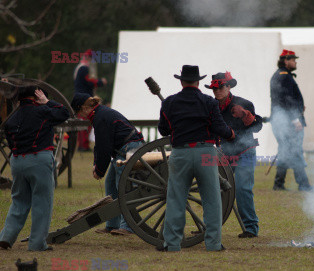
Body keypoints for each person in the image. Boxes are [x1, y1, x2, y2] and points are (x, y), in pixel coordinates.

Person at [158, 65, 235, 252]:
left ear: (181, 81)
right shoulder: (209, 102)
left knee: (176, 198)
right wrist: (231, 134)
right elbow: (219, 127)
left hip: (180, 153)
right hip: (206, 153)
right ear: (198, 82)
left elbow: (164, 129)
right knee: (212, 199)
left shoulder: (169, 102)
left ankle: (172, 244)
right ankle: (214, 244)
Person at [0, 86, 69, 251]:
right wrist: (47, 102)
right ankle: (37, 243)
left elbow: (10, 143)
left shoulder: (12, 119)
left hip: (17, 161)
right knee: (42, 202)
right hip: (39, 159)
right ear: (36, 97)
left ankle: (6, 237)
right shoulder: (43, 111)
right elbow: (64, 113)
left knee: (19, 201)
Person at [71, 93, 144, 235]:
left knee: (122, 187)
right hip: (122, 151)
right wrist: (96, 165)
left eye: (79, 112)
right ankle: (112, 224)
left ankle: (128, 227)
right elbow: (100, 145)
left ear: (83, 108)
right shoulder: (99, 114)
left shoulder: (100, 116)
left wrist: (99, 170)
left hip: (129, 149)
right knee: (110, 184)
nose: (81, 115)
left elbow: (104, 147)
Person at [205, 71, 262, 238]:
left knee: (243, 189)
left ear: (229, 87)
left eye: (221, 87)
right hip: (223, 153)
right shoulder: (210, 105)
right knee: (214, 190)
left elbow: (257, 127)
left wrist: (247, 117)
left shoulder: (244, 103)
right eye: (214, 89)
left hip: (245, 152)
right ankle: (209, 227)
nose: (217, 91)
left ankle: (251, 228)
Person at [270, 49, 314, 192]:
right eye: (293, 59)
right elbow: (284, 100)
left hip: (283, 121)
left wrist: (298, 106)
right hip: (287, 121)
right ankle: (303, 185)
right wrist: (294, 119)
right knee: (296, 152)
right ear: (286, 60)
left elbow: (287, 99)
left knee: (285, 152)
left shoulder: (282, 75)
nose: (295, 61)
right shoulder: (284, 76)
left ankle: (278, 184)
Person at [73, 49, 107, 152]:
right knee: (85, 122)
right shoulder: (83, 68)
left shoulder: (80, 67)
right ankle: (83, 145)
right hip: (84, 99)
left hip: (83, 97)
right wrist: (100, 82)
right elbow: (89, 81)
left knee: (85, 122)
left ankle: (84, 145)